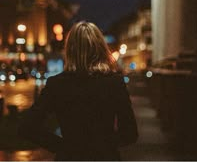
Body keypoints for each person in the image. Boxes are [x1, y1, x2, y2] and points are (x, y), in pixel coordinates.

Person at [19, 21, 138, 161]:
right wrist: (106, 145)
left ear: (69, 50)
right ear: (100, 49)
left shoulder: (57, 84)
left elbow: (27, 127)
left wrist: (62, 147)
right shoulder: (114, 83)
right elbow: (130, 133)